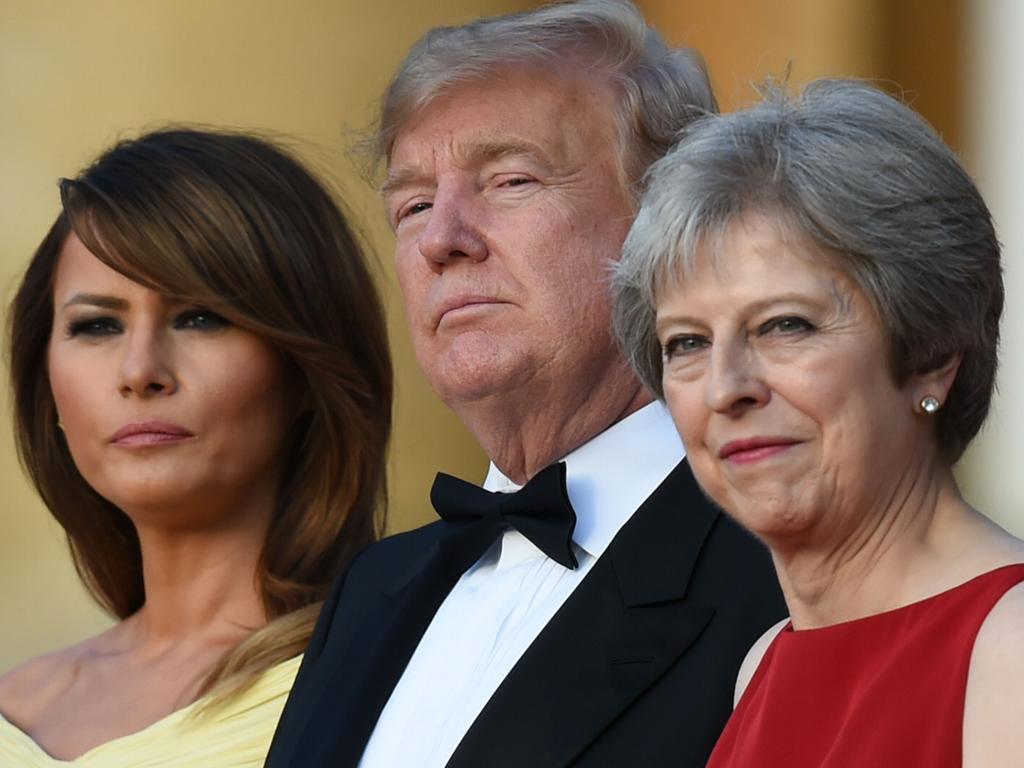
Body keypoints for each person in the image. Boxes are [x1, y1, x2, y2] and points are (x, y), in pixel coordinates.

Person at [266, 2, 785, 767]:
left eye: (510, 180)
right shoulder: (373, 590)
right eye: (412, 205)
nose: (442, 239)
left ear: (673, 226)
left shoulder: (785, 565)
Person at [612, 78, 1024, 767]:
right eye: (686, 342)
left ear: (931, 355)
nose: (726, 389)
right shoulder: (762, 666)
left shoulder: (1010, 650)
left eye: (784, 325)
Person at [0, 128, 393, 767]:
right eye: (97, 325)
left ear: (305, 369)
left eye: (201, 317)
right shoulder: (14, 703)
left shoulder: (408, 677)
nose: (139, 370)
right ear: (46, 388)